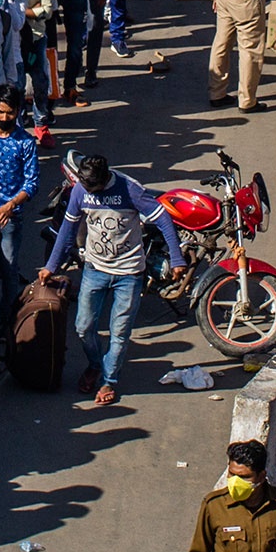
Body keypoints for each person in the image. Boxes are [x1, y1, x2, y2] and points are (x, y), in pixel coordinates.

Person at [39, 152, 183, 411]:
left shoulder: (130, 189)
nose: (89, 192)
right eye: (86, 187)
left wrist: (176, 257)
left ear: (106, 179)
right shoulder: (80, 191)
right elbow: (67, 233)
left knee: (120, 332)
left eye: (94, 188)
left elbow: (162, 217)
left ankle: (109, 380)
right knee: (83, 326)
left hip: (129, 273)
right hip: (95, 269)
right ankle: (95, 364)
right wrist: (51, 266)